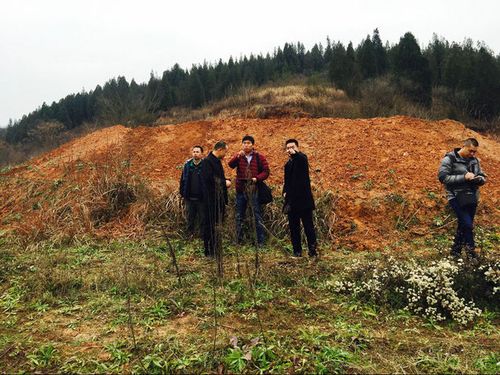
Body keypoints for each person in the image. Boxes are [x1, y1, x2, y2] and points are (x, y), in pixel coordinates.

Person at [438, 138, 487, 258]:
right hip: (455, 196)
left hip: (471, 197)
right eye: (470, 151)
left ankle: (455, 253)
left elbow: (482, 175)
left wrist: (479, 179)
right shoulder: (449, 159)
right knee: (468, 224)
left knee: (464, 224)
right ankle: (472, 254)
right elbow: (443, 178)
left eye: (474, 152)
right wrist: (464, 177)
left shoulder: (474, 160)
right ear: (463, 147)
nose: (472, 154)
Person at [228, 135, 270, 246]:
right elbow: (230, 165)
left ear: (253, 145)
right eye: (244, 143)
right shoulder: (239, 156)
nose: (246, 145)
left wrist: (256, 178)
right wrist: (237, 156)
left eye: (248, 143)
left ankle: (260, 242)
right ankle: (238, 241)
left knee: (257, 215)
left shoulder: (259, 157)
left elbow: (266, 171)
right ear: (242, 145)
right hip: (241, 190)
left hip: (254, 189)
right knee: (239, 215)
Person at [283, 139, 318, 257]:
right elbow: (286, 182)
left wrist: (296, 154)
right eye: (287, 148)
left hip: (304, 201)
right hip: (292, 202)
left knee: (308, 226)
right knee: (294, 229)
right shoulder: (287, 165)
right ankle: (297, 251)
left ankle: (312, 251)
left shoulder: (302, 158)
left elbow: (301, 159)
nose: (290, 149)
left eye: (292, 147)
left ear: (297, 147)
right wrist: (284, 193)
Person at [201, 141, 231, 257]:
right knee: (210, 225)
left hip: (217, 200)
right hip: (211, 201)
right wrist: (225, 183)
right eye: (225, 152)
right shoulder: (207, 162)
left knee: (216, 225)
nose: (225, 155)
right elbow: (210, 179)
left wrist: (224, 180)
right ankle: (209, 251)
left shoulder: (215, 161)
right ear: (220, 150)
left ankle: (215, 249)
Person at [179, 145, 205, 238]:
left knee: (202, 218)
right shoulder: (187, 165)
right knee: (190, 217)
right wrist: (182, 193)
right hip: (189, 197)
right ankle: (189, 235)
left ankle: (202, 236)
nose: (195, 154)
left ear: (201, 154)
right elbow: (182, 179)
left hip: (201, 198)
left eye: (197, 152)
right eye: (194, 152)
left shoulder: (205, 165)